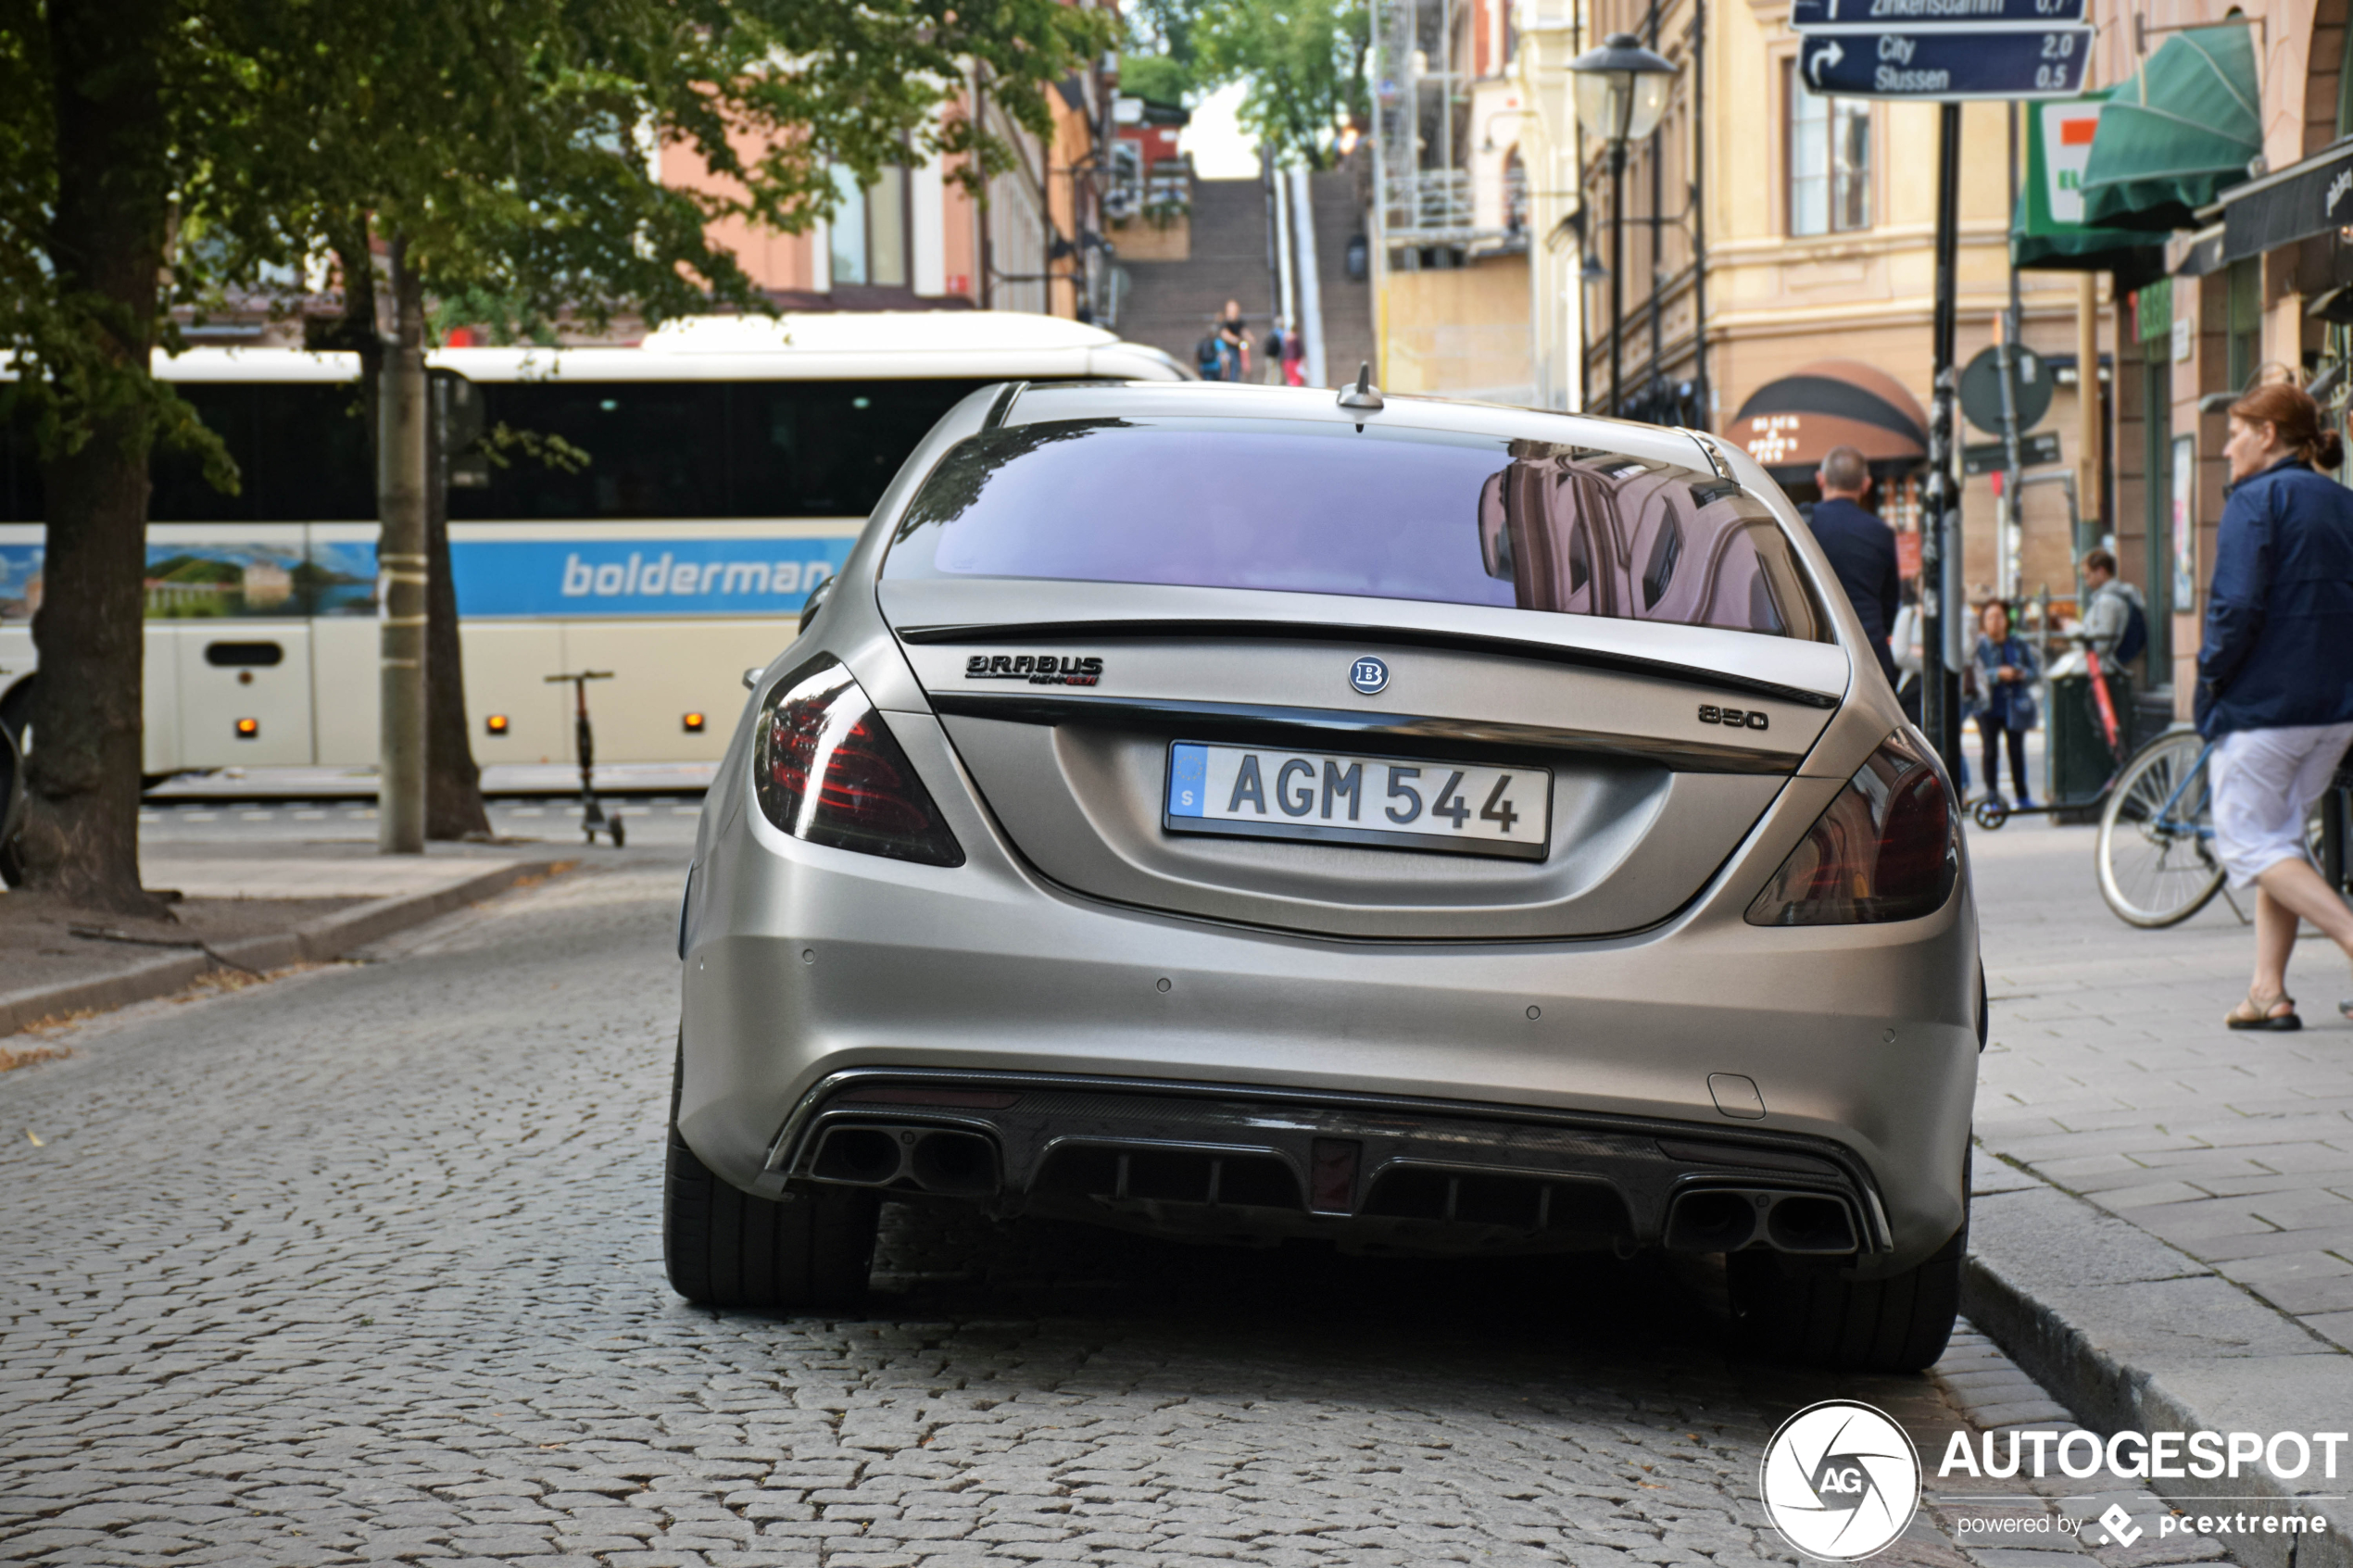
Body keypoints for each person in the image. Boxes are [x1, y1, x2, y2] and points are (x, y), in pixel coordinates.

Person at [2196, 383, 2353, 1031]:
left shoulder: (2257, 500)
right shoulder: (2344, 502)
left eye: (2236, 431)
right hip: (2334, 709)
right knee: (2280, 841)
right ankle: (2267, 991)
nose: (2227, 446)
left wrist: (2210, 681)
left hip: (2266, 706)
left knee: (2249, 843)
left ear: (2267, 434)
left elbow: (2234, 608)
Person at [1805, 445, 1902, 686]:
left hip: (1817, 651)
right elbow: (1890, 602)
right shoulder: (1881, 533)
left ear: (1820, 479)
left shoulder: (1803, 523)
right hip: (1869, 654)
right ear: (1866, 485)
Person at [1971, 599, 2039, 809]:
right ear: (1984, 621)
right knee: (1990, 751)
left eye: (1999, 617)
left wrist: (2021, 674)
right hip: (1987, 706)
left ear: (2006, 620)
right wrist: (1997, 674)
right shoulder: (1979, 646)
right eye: (1990, 617)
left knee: (2017, 751)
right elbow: (1975, 674)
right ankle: (1992, 798)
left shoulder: (2018, 644)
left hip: (2014, 705)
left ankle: (2023, 797)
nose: (1995, 622)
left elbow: (2034, 671)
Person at [2079, 546, 2146, 750]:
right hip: (2112, 673)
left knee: (2108, 733)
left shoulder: (2108, 602)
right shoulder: (2116, 597)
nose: (2087, 581)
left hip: (2106, 674)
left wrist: (2078, 637)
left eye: (2088, 575)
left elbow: (2100, 644)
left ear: (2101, 571)